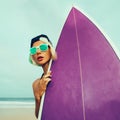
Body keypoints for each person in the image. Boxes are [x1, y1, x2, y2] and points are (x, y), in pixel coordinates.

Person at [29, 34, 57, 118]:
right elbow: (39, 116)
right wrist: (38, 98)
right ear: (32, 57)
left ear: (50, 49)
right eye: (33, 50)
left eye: (43, 47)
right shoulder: (36, 84)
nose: (38, 52)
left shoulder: (64, 72)